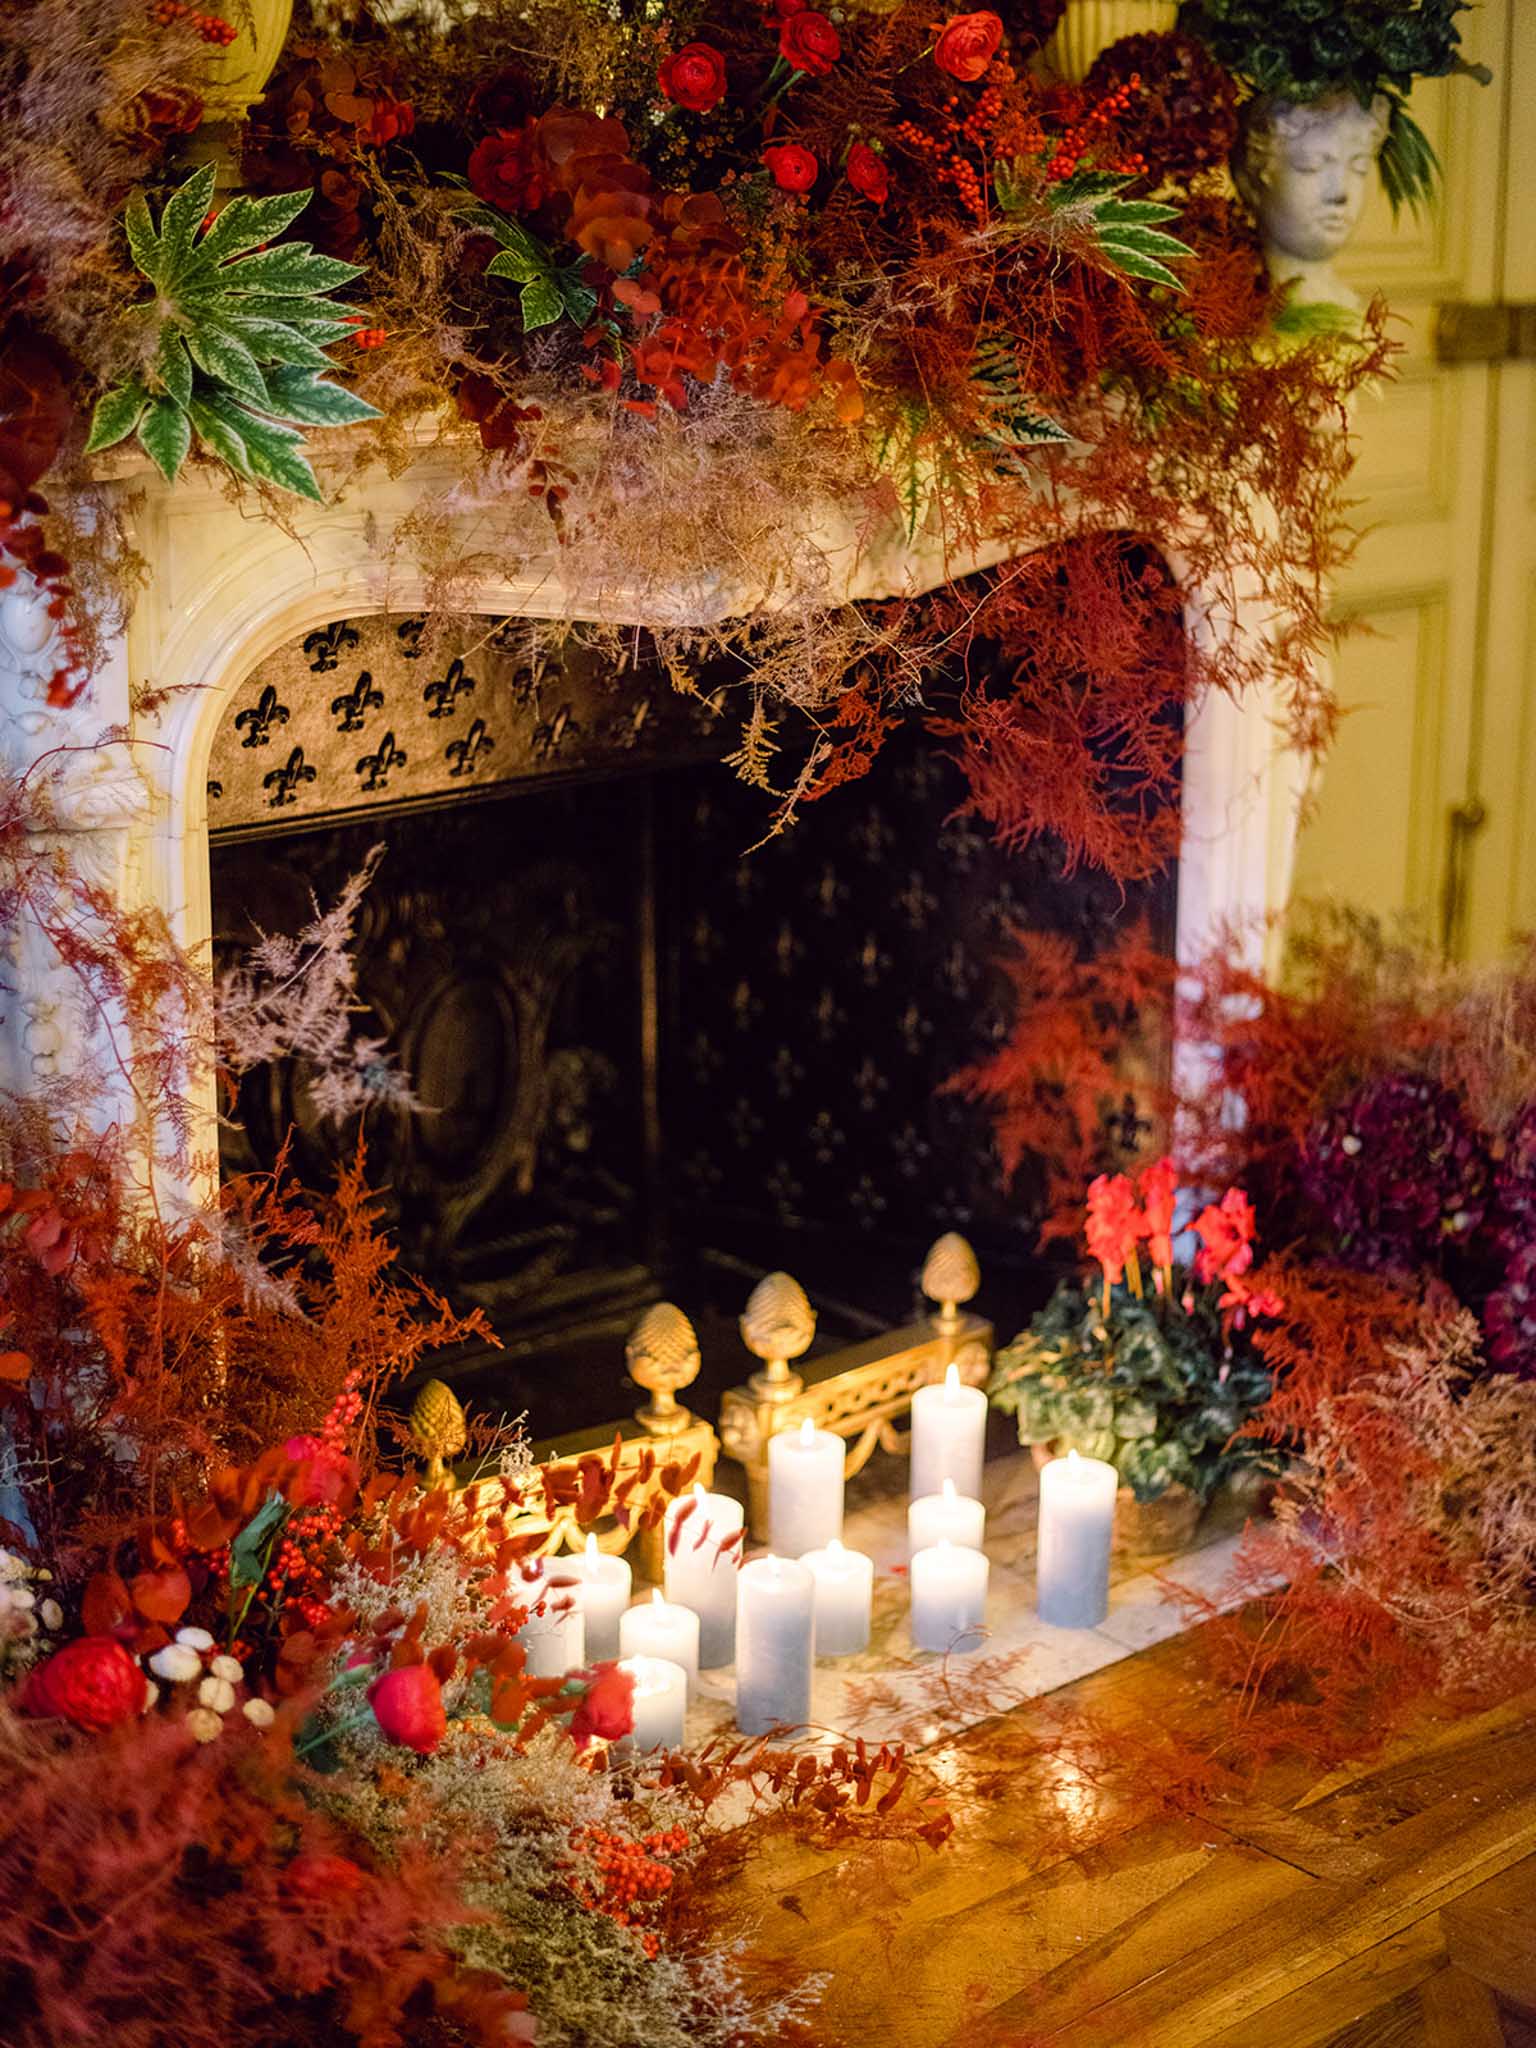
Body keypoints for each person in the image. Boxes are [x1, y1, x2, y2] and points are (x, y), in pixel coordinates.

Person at [1232, 92, 1390, 311]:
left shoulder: (1350, 310)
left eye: (1359, 167)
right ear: (1252, 178)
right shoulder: (1232, 319)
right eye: (1311, 166)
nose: (1340, 193)